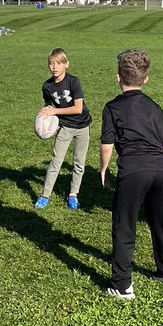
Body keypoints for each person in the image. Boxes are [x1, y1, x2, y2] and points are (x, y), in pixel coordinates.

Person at [100, 49, 163, 299]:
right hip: (159, 169)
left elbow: (107, 145)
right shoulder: (154, 107)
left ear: (118, 78)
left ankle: (122, 285)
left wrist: (104, 170)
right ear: (145, 79)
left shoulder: (112, 107)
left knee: (125, 225)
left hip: (133, 170)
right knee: (159, 220)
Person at [35, 48, 92, 210]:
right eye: (51, 63)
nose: (54, 67)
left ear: (66, 64)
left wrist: (55, 111)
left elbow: (78, 108)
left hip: (82, 125)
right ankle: (45, 195)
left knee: (79, 162)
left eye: (58, 63)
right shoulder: (47, 86)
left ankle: (73, 194)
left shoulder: (73, 82)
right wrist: (45, 116)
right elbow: (49, 105)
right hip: (65, 127)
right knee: (56, 161)